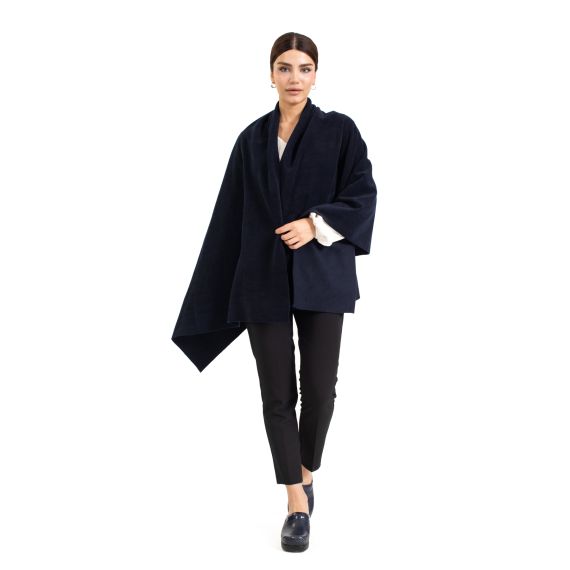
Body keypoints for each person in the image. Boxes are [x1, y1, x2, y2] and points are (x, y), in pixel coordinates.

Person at [171, 31, 377, 552]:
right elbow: (228, 218)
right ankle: (295, 502)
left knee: (321, 389)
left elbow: (362, 193)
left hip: (322, 274)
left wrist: (315, 224)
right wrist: (215, 292)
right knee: (276, 394)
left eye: (304, 68)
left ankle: (305, 471)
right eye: (284, 68)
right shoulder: (251, 140)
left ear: (316, 75)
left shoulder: (340, 132)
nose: (294, 78)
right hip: (262, 277)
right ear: (270, 74)